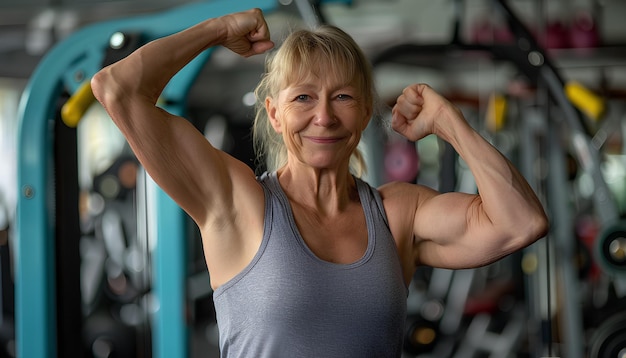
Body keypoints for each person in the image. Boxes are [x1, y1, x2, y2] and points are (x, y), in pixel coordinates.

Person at [91, 8, 548, 357]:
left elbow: (520, 223)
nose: (324, 116)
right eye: (304, 97)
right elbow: (118, 88)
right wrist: (216, 29)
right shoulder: (238, 202)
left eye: (343, 97)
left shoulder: (397, 214)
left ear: (366, 111)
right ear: (273, 113)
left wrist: (451, 124)